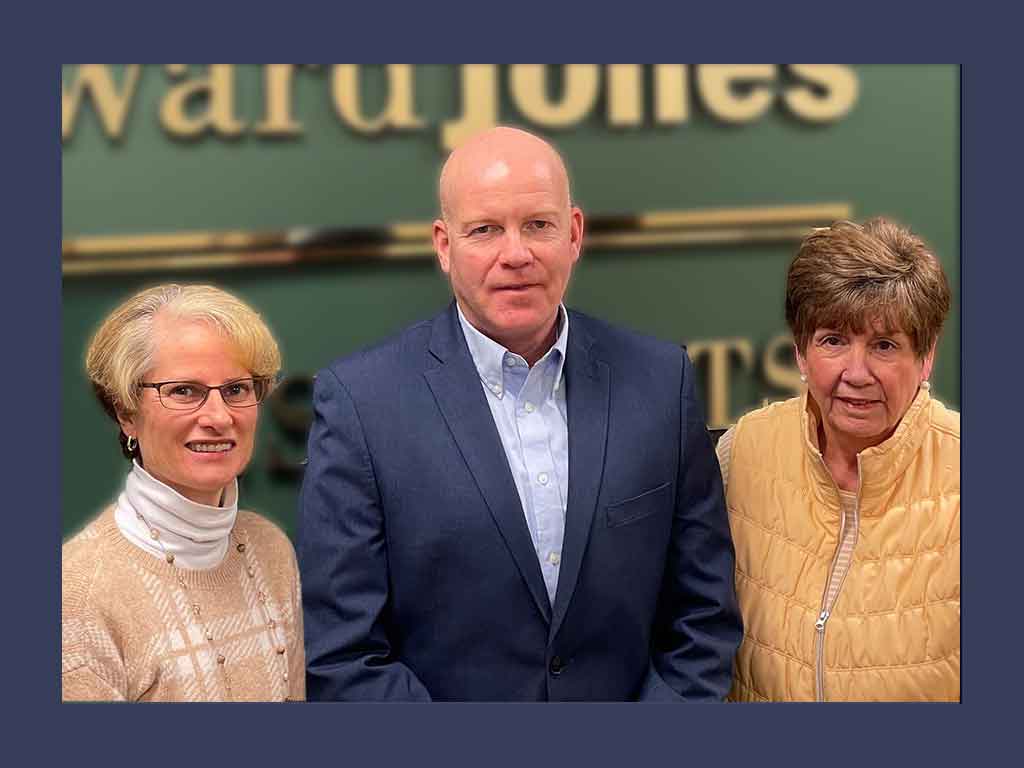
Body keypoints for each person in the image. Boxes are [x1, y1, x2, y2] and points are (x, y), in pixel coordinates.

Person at [300, 126, 742, 701]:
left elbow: (702, 617)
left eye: (538, 225)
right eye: (485, 230)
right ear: (443, 245)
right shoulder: (361, 403)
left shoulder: (661, 383)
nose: (516, 254)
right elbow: (344, 655)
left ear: (574, 233)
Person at [719, 219, 959, 701]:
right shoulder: (744, 450)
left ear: (927, 356)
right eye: (833, 340)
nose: (856, 373)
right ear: (801, 353)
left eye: (885, 346)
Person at [62, 284, 305, 701]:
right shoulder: (77, 594)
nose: (218, 416)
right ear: (126, 412)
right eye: (183, 391)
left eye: (236, 389)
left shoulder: (271, 550)